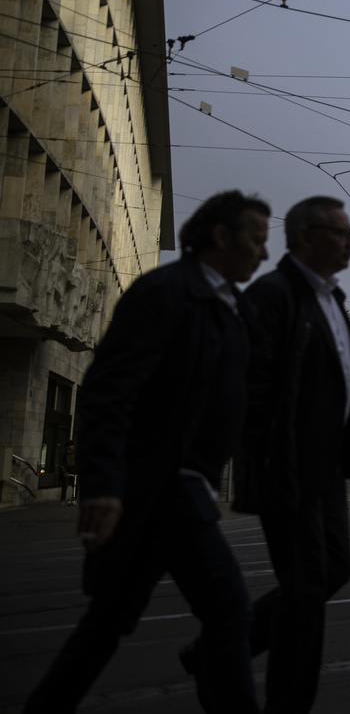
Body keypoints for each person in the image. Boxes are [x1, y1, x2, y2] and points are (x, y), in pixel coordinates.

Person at [26, 190, 270, 713]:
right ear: (222, 237)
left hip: (179, 487)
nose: (264, 254)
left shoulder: (237, 307)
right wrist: (102, 485)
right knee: (230, 611)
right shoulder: (165, 292)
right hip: (163, 484)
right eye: (256, 239)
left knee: (106, 624)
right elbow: (107, 391)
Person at [232, 195, 350, 714]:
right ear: (304, 237)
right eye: (341, 234)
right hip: (287, 467)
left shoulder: (330, 299)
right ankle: (288, 704)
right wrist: (273, 461)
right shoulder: (272, 296)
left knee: (331, 571)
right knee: (308, 587)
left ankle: (221, 652)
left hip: (327, 470)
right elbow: (254, 389)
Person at [58, 437, 77, 506]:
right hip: (66, 472)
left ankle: (74, 499)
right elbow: (61, 464)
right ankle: (63, 500)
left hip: (73, 472)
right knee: (65, 486)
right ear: (68, 446)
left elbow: (76, 462)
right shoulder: (64, 454)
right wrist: (64, 472)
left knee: (75, 486)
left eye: (73, 445)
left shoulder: (74, 453)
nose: (73, 447)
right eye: (71, 445)